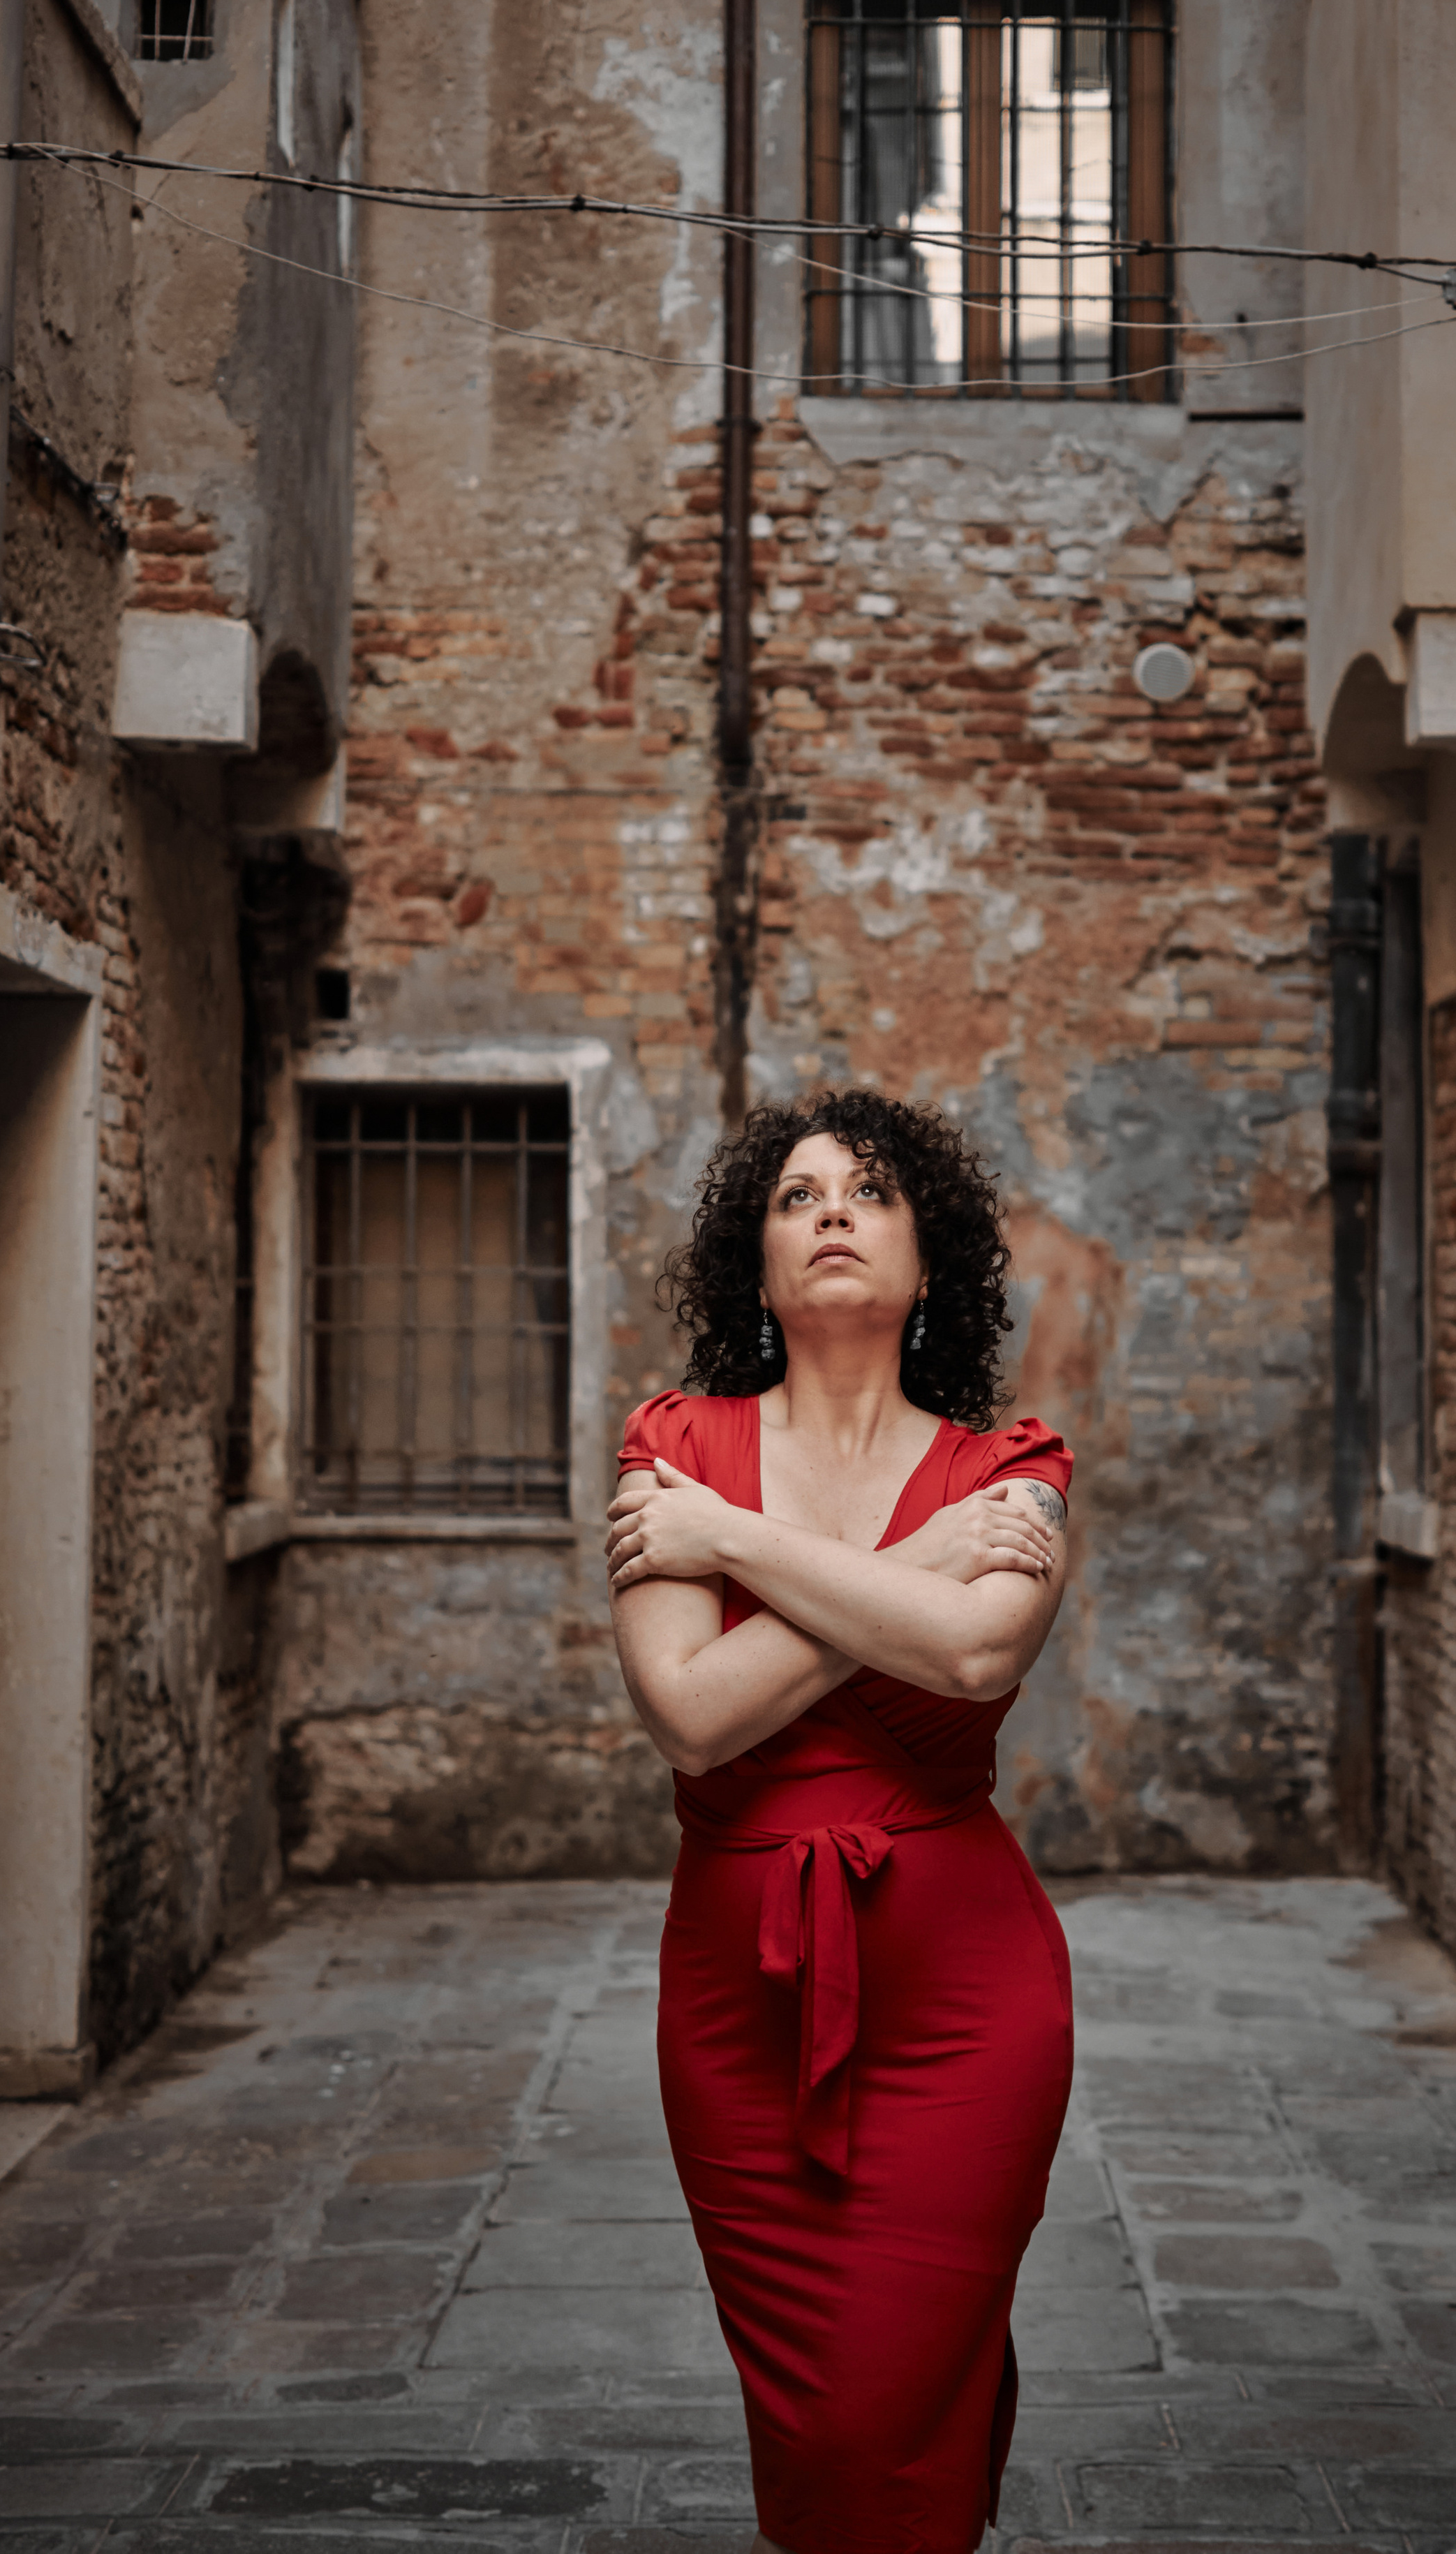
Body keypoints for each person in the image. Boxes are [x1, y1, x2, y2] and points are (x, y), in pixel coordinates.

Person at [605, 1087, 1074, 2554]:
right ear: (757, 1268)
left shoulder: (1008, 1473)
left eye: (867, 1193)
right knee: (818, 2415)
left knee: (895, 2382)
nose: (827, 1213)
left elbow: (972, 1655)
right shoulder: (670, 1440)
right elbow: (690, 1713)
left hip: (965, 2002)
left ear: (926, 1265)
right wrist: (906, 1568)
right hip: (737, 2006)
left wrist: (734, 1541)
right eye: (795, 1195)